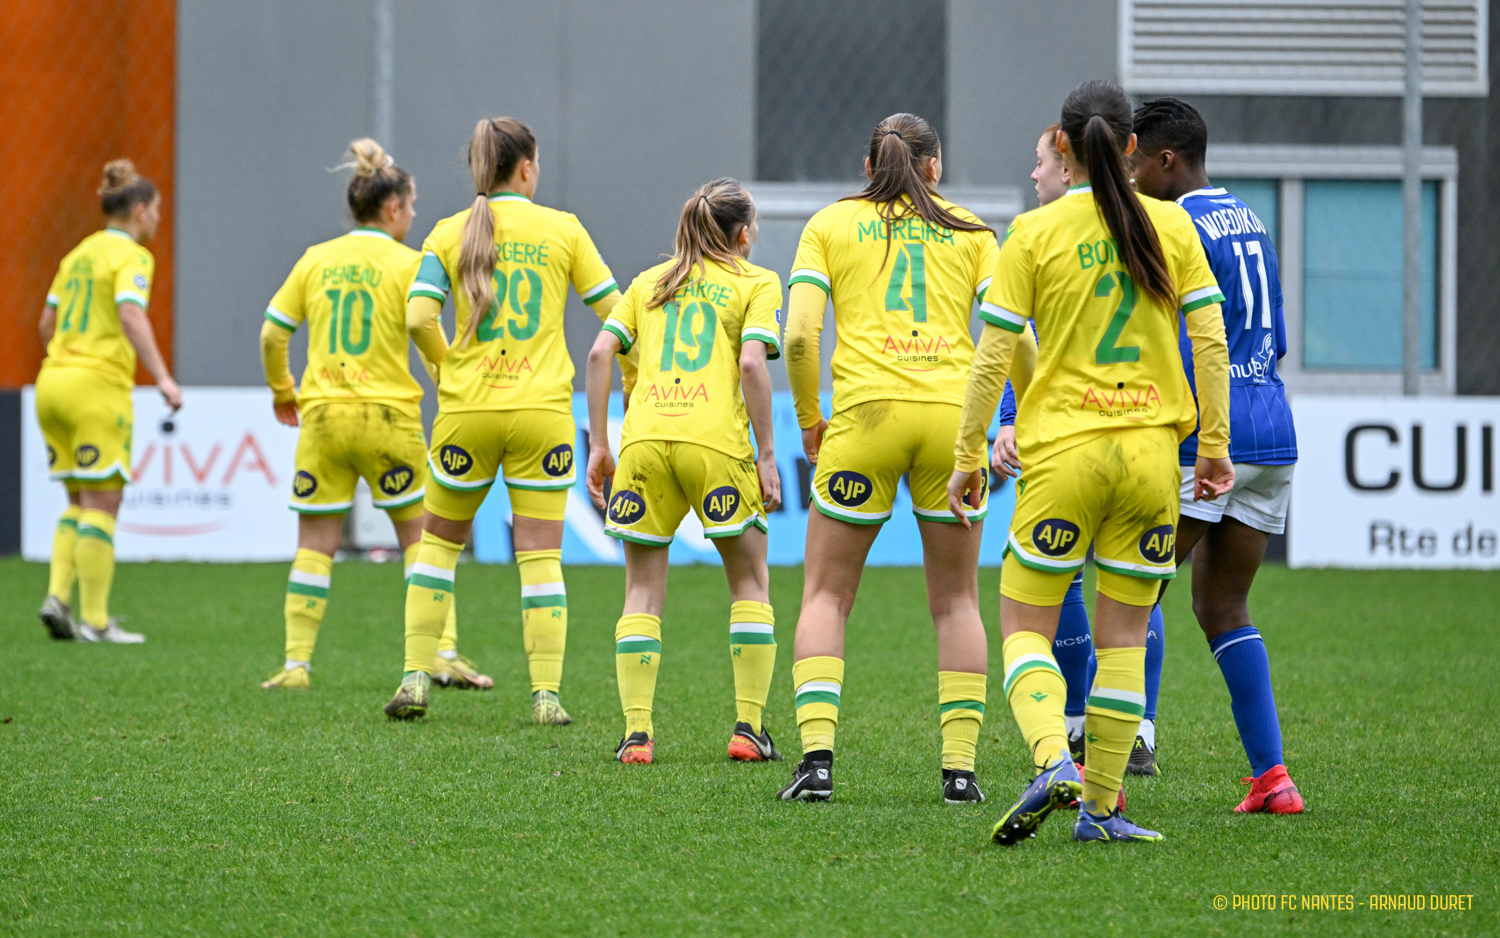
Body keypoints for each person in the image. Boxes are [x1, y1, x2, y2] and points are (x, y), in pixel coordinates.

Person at [949, 80, 1233, 844]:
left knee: (1023, 626)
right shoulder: (1171, 225)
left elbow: (994, 356)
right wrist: (1213, 446)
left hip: (1065, 455)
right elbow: (1209, 341)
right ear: (1134, 146)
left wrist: (970, 453)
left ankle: (1052, 759)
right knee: (1124, 637)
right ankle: (1102, 810)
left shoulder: (1033, 233)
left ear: (1063, 147)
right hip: (1151, 458)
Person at [776, 112, 1032, 805]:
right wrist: (1026, 416)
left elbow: (798, 337)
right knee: (956, 602)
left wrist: (809, 421)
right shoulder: (974, 232)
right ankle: (960, 774)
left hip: (864, 420)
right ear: (934, 167)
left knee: (827, 595)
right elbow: (1016, 338)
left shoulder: (830, 224)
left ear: (869, 168)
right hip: (952, 424)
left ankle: (817, 764)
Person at [384, 117, 625, 724]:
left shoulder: (448, 231)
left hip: (467, 411)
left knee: (437, 550)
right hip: (542, 414)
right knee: (540, 560)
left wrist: (447, 371)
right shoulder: (563, 229)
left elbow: (417, 318)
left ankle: (415, 677)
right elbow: (619, 315)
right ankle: (546, 696)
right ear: (526, 168)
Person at [258, 139, 490, 691]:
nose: (414, 215)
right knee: (424, 542)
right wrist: (450, 381)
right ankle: (442, 654)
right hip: (388, 418)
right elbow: (426, 331)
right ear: (392, 208)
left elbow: (272, 333)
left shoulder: (316, 259)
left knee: (315, 544)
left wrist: (282, 390)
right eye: (412, 205)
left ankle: (295, 665)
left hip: (324, 417)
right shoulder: (409, 263)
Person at [1130, 96, 1303, 814]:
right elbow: (1277, 336)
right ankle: (1273, 778)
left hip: (1209, 435)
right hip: (1272, 427)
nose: (1131, 178)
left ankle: (1117, 755)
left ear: (1167, 160)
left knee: (1131, 589)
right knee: (1223, 606)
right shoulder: (1250, 218)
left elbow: (1179, 340)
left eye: (1137, 164)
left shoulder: (1176, 225)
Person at [584, 178, 783, 765]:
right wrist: (767, 454)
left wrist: (600, 445)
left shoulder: (648, 282)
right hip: (714, 442)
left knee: (641, 590)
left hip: (644, 442)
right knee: (749, 583)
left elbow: (598, 354)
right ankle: (749, 730)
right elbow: (753, 364)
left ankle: (636, 735)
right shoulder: (756, 282)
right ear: (742, 235)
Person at [997, 123, 1168, 779]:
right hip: (1147, 437)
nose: (1034, 174)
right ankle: (1129, 739)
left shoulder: (1035, 235)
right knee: (1135, 597)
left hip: (1066, 441)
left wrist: (1000, 425)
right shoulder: (1159, 226)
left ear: (1066, 164)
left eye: (1039, 162)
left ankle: (1064, 735)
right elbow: (1194, 337)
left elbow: (1012, 342)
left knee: (1041, 598)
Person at [36, 159, 182, 644]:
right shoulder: (132, 256)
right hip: (96, 387)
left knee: (77, 500)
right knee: (103, 502)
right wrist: (163, 377)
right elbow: (130, 313)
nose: (158, 218)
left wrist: (67, 359)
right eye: (156, 209)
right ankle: (96, 621)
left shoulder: (77, 254)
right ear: (139, 211)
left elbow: (45, 324)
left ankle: (58, 597)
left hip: (53, 383)